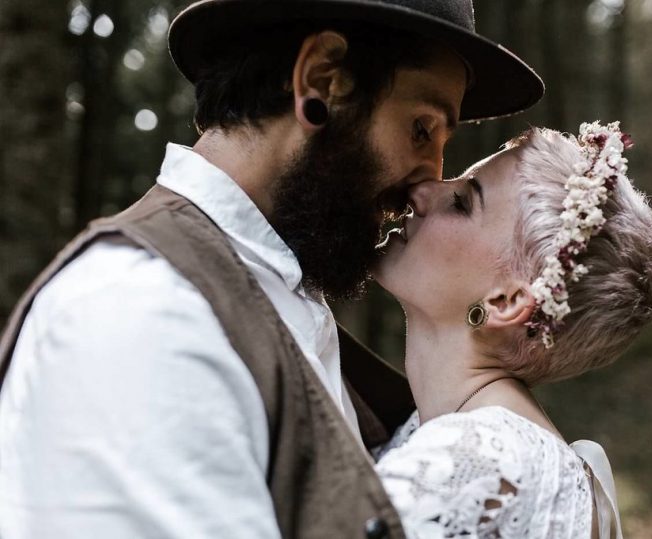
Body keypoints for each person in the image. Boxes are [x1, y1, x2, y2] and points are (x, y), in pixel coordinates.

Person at [0, 1, 544, 538]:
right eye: (422, 129)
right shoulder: (143, 314)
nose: (429, 181)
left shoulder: (274, 292)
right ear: (321, 80)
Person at [372, 122, 652, 538]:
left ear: (506, 302)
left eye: (461, 203)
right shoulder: (486, 444)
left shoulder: (482, 460)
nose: (422, 191)